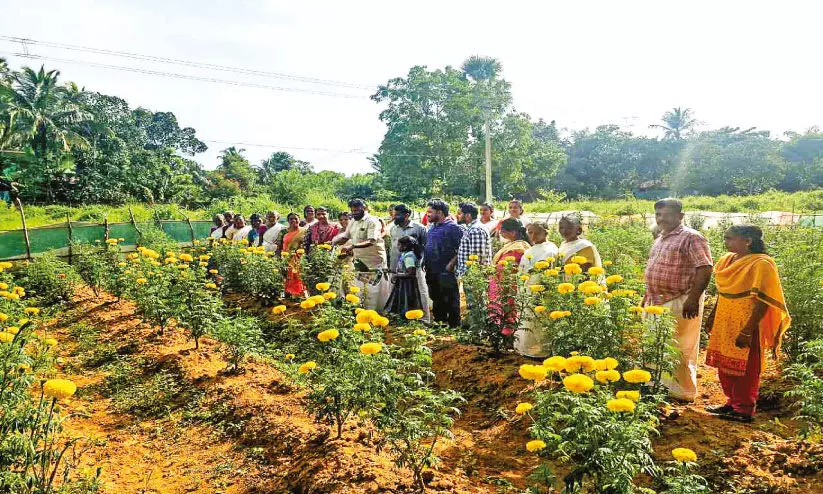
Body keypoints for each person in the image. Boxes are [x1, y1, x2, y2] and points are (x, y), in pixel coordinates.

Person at [705, 225, 790, 423]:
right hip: (725, 319)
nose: (725, 242)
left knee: (746, 367)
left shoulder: (762, 264)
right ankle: (732, 402)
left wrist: (747, 330)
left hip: (747, 323)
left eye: (729, 238)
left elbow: (762, 301)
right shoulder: (727, 260)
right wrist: (713, 315)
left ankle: (744, 409)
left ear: (748, 241)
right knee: (725, 362)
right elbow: (723, 293)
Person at [645, 198, 713, 403]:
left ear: (680, 216)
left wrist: (693, 299)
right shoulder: (661, 238)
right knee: (656, 344)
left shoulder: (691, 237)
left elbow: (705, 268)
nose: (661, 219)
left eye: (667, 214)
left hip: (680, 300)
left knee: (680, 346)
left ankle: (681, 392)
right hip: (656, 300)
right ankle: (658, 386)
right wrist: (646, 295)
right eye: (658, 215)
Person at [333, 199, 389, 309]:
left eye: (356, 210)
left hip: (374, 260)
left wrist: (353, 246)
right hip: (359, 260)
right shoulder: (353, 221)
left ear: (363, 209)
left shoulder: (372, 221)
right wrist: (334, 242)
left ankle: (377, 312)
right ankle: (361, 311)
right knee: (360, 287)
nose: (354, 213)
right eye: (352, 211)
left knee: (374, 289)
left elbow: (371, 240)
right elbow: (346, 236)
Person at [515, 221, 560, 358]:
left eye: (536, 232)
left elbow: (544, 269)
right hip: (526, 288)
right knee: (526, 319)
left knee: (538, 321)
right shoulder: (531, 249)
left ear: (546, 232)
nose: (532, 235)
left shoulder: (550, 249)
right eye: (530, 232)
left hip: (539, 290)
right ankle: (525, 348)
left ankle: (540, 352)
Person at [423, 199, 464, 327]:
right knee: (436, 297)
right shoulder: (431, 227)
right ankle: (440, 322)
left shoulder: (453, 228)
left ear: (439, 212)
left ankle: (454, 325)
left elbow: (461, 249)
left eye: (430, 212)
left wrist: (451, 263)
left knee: (450, 297)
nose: (427, 215)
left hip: (446, 270)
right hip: (432, 269)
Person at [489, 218, 531, 338]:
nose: (501, 233)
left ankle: (508, 336)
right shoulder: (513, 244)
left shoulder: (519, 247)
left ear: (512, 232)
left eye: (503, 231)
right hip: (503, 281)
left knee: (509, 309)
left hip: (509, 284)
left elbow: (509, 266)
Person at [384, 236, 429, 321]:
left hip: (407, 285)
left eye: (399, 245)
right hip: (403, 283)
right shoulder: (405, 254)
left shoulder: (409, 257)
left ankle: (407, 318)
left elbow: (410, 273)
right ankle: (403, 318)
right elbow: (403, 270)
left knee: (406, 301)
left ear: (404, 247)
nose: (397, 246)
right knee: (403, 301)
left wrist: (396, 275)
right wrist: (391, 271)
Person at [455, 202, 492, 276]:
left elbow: (476, 259)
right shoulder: (471, 228)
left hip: (473, 278)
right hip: (468, 276)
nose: (458, 216)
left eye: (460, 214)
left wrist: (470, 279)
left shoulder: (476, 230)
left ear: (468, 215)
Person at [389, 204, 428, 270]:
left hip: (414, 268)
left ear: (406, 216)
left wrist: (424, 261)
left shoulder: (419, 228)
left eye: (397, 215)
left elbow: (426, 246)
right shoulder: (393, 229)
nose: (393, 217)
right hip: (396, 267)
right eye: (393, 215)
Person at [278, 213, 307, 297]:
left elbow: (307, 244)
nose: (294, 220)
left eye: (296, 218)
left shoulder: (304, 231)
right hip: (287, 257)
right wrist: (279, 257)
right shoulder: (283, 232)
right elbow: (279, 246)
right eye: (291, 219)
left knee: (299, 276)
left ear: (299, 220)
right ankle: (288, 294)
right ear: (288, 221)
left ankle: (299, 294)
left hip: (300, 258)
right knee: (287, 276)